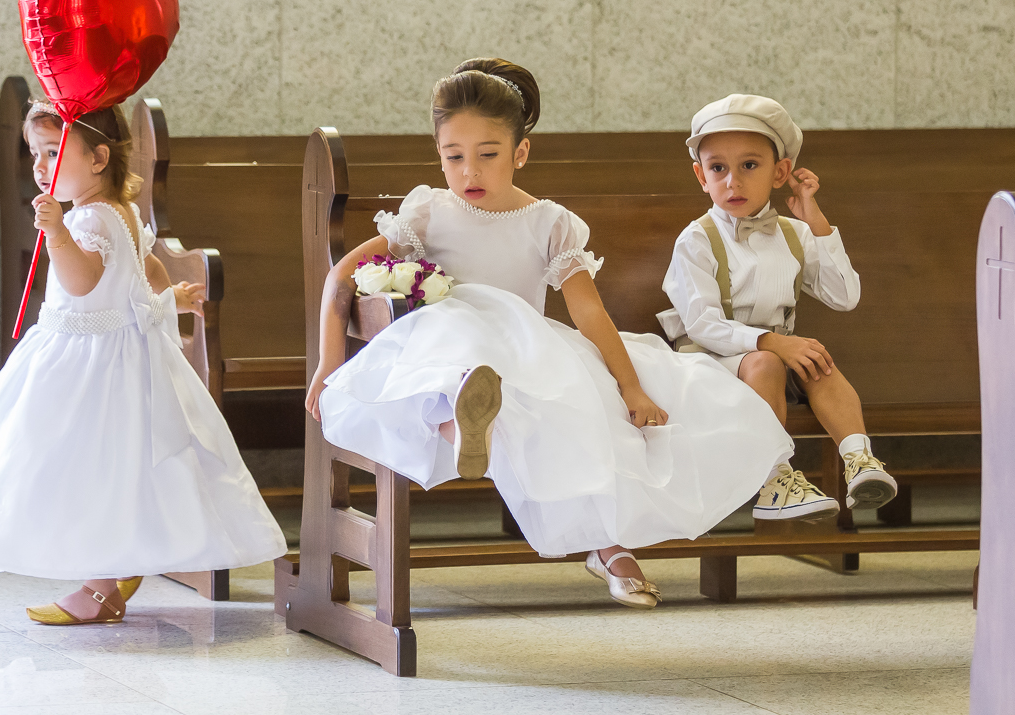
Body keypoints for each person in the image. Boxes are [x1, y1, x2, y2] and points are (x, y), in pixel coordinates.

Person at [307, 59, 794, 610]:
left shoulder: (549, 222)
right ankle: (467, 429)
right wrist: (328, 362)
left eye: (488, 155)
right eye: (453, 157)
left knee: (585, 411)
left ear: (520, 152)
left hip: (529, 346)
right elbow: (341, 276)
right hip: (453, 337)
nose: (470, 172)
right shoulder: (428, 214)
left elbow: (588, 314)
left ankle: (601, 537)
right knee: (458, 352)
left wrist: (631, 387)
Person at [0, 102, 286, 624]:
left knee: (83, 469)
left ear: (98, 158)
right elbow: (141, 268)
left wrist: (57, 233)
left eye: (53, 152)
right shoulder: (120, 213)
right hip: (118, 357)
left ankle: (100, 587)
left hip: (90, 367)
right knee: (112, 471)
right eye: (34, 155)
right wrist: (168, 295)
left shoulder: (88, 220)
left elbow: (83, 281)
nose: (40, 167)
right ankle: (113, 570)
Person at [658, 94, 898, 522]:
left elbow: (846, 297)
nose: (733, 181)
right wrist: (771, 343)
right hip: (708, 363)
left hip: (772, 356)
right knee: (768, 362)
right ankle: (773, 479)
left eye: (749, 166)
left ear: (780, 172)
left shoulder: (793, 233)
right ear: (701, 175)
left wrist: (815, 219)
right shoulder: (696, 239)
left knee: (817, 361)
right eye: (718, 168)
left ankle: (859, 460)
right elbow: (702, 323)